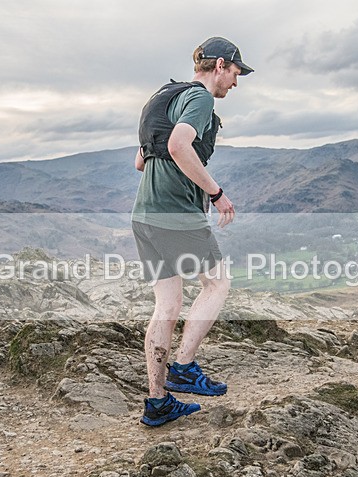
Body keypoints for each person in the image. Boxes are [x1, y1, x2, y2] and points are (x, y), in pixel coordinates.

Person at [131, 37, 253, 426]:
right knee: (217, 283)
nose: (235, 82)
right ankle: (183, 367)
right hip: (176, 214)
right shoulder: (200, 99)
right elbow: (179, 144)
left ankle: (158, 401)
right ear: (220, 65)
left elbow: (141, 160)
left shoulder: (161, 97)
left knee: (166, 305)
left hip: (145, 214)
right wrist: (216, 194)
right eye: (235, 73)